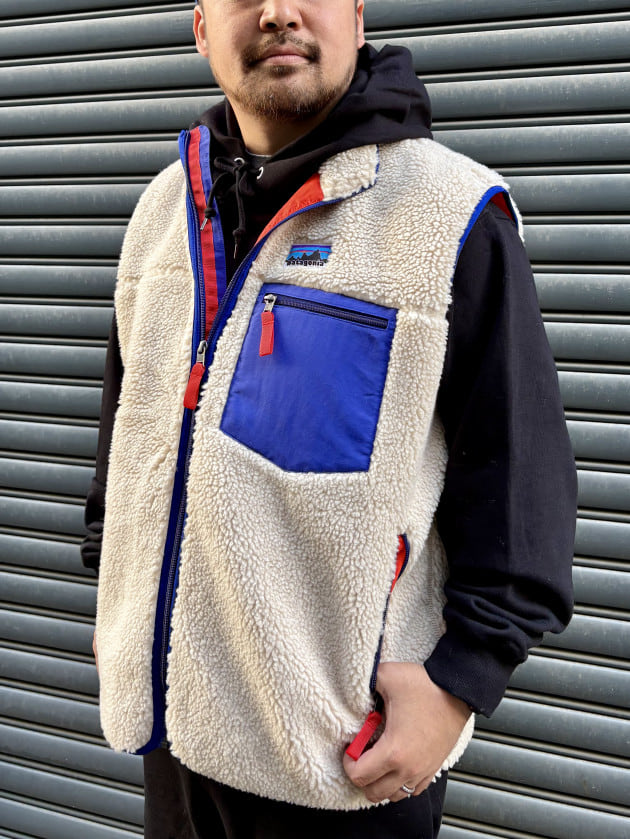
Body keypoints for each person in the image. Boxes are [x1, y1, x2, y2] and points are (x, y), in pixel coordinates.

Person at [81, 1, 577, 837]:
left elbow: (523, 482)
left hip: (338, 762)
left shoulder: (448, 215)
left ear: (355, 14)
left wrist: (458, 682)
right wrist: (115, 593)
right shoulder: (166, 212)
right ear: (201, 29)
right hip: (174, 735)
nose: (278, 12)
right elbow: (129, 430)